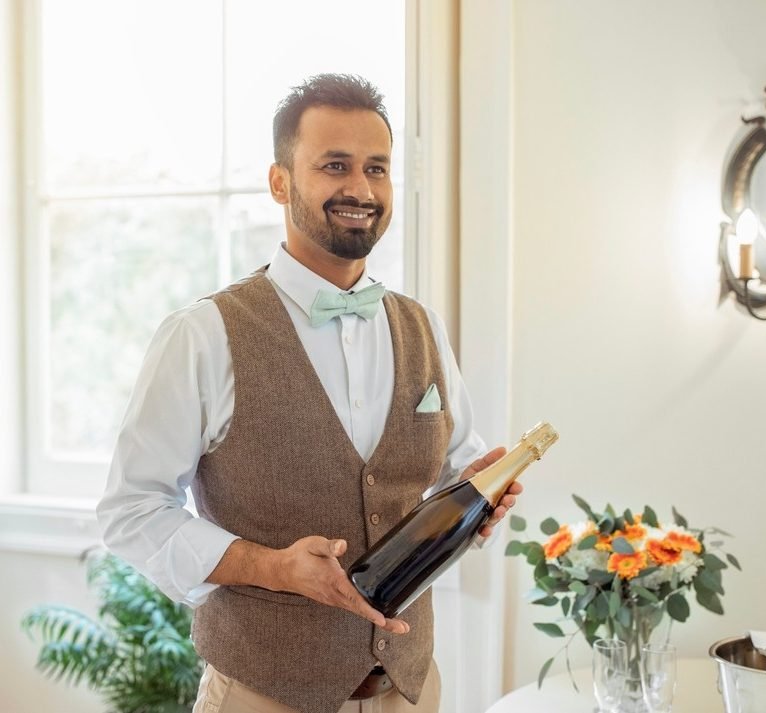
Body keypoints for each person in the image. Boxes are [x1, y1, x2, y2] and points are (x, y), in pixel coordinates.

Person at [97, 73, 522, 713]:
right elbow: (132, 510)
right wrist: (270, 567)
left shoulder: (422, 326)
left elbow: (456, 468)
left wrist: (484, 493)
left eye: (377, 168)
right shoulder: (205, 334)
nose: (361, 188)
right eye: (334, 166)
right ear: (280, 182)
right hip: (262, 694)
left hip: (409, 691)